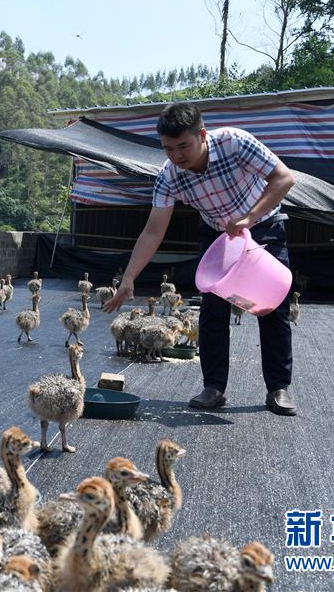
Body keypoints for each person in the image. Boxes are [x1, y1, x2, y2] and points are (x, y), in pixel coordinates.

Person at [103, 102, 297, 416]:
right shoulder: (168, 177)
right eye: (168, 149)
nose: (177, 156)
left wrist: (249, 218)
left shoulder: (234, 142)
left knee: (272, 306)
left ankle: (278, 389)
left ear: (202, 135)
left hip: (262, 225)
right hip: (219, 234)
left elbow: (284, 179)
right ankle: (214, 388)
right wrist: (129, 277)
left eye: (183, 146)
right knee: (212, 308)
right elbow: (153, 231)